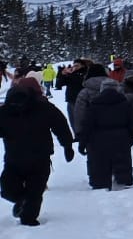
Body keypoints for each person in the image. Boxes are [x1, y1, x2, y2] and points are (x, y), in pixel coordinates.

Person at [0, 81, 76, 225]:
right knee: (13, 190)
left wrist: (67, 145)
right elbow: (61, 125)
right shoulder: (5, 112)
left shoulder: (43, 108)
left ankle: (28, 217)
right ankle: (23, 203)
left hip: (37, 158)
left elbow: (60, 125)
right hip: (16, 159)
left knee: (32, 191)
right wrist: (67, 145)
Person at [76, 73, 133, 190]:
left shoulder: (94, 105)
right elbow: (132, 123)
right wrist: (131, 138)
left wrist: (82, 143)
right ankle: (122, 180)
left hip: (98, 139)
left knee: (99, 162)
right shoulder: (125, 104)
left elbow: (87, 126)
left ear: (101, 90)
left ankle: (100, 182)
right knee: (122, 160)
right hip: (121, 137)